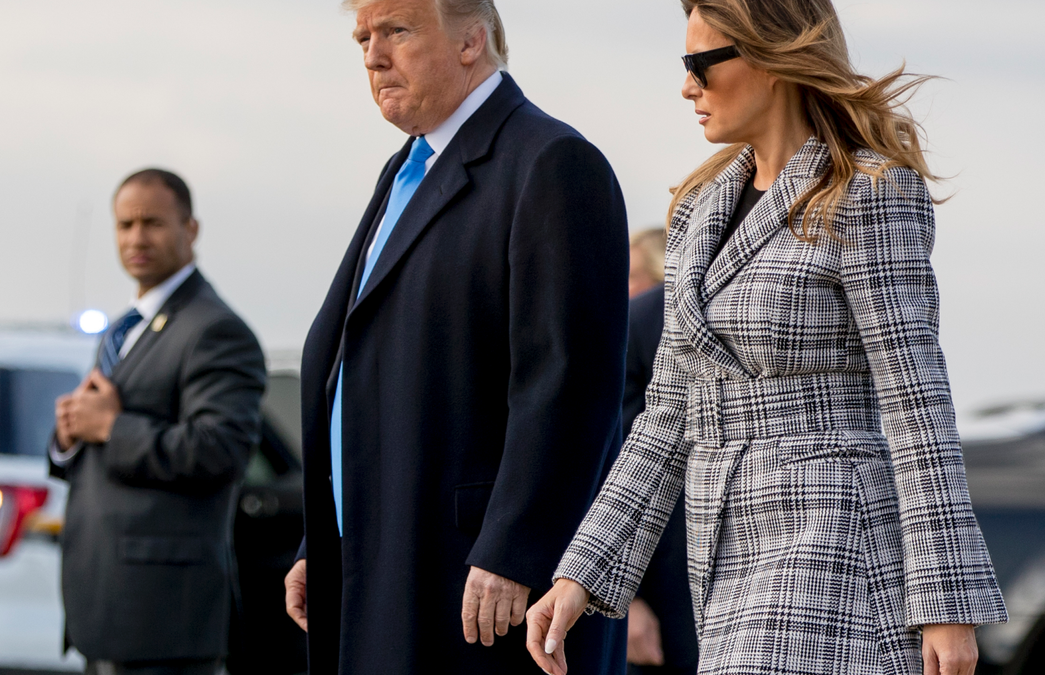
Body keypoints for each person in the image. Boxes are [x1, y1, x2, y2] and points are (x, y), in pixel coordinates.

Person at [527, 0, 1009, 673]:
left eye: (701, 65)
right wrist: (580, 574)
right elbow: (667, 415)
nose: (687, 86)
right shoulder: (698, 208)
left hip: (837, 541)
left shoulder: (867, 193)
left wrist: (946, 601)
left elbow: (915, 400)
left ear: (775, 59)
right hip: (723, 550)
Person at [282, 0, 630, 673]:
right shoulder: (404, 170)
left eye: (397, 32)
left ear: (472, 41)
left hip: (476, 586)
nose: (373, 57)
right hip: (380, 561)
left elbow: (569, 386)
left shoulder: (553, 164)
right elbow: (366, 369)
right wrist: (322, 538)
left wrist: (514, 548)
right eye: (363, 38)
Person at [49, 169, 267, 675]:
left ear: (190, 229)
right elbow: (97, 432)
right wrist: (67, 435)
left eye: (152, 223)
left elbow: (221, 449)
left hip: (164, 620)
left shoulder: (215, 329)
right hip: (103, 608)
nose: (136, 238)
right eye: (124, 225)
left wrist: (110, 429)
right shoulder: (126, 327)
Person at [623, 230, 698, 675]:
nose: (625, 291)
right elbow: (622, 466)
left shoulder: (643, 323)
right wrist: (626, 600)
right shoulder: (633, 331)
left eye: (634, 277)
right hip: (658, 590)